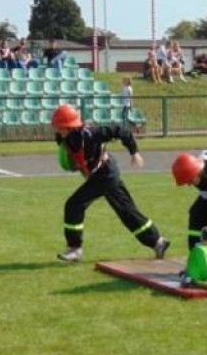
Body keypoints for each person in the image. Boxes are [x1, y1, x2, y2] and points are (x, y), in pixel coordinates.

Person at [52, 104, 170, 263]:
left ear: (70, 126)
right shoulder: (63, 138)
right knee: (127, 211)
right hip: (98, 175)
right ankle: (158, 242)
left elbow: (121, 130)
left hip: (105, 174)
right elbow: (73, 156)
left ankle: (75, 249)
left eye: (60, 127)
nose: (57, 130)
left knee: (74, 204)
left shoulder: (91, 134)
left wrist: (134, 152)